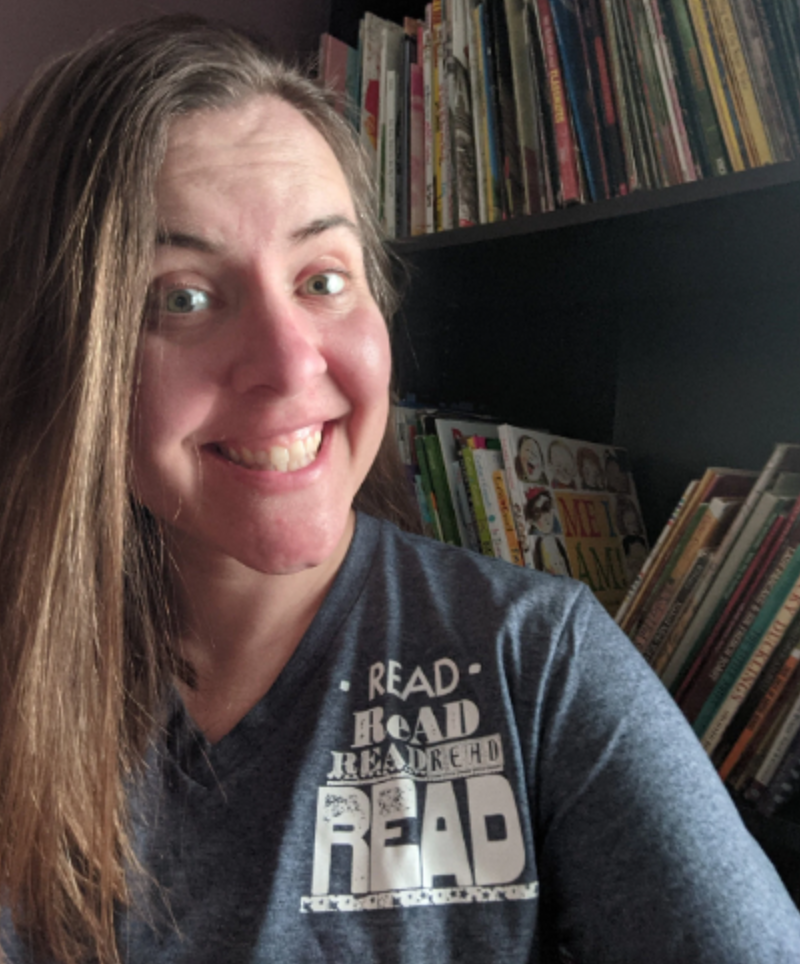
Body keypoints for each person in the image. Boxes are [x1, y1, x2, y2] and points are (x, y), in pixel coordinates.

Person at [0, 15, 799, 964]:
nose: (291, 365)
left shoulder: (536, 661)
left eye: (322, 279)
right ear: (61, 348)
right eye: (184, 297)